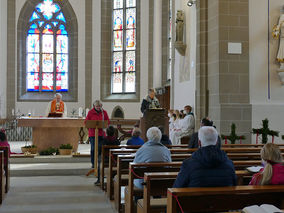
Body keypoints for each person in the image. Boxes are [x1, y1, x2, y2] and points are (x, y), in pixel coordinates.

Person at [85, 100, 110, 185]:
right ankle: (93, 164)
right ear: (94, 106)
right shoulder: (90, 112)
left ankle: (99, 163)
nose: (98, 108)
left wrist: (105, 125)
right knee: (93, 149)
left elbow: (107, 121)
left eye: (100, 106)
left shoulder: (104, 112)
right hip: (93, 134)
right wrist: (90, 127)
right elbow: (86, 122)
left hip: (101, 134)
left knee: (100, 149)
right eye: (97, 107)